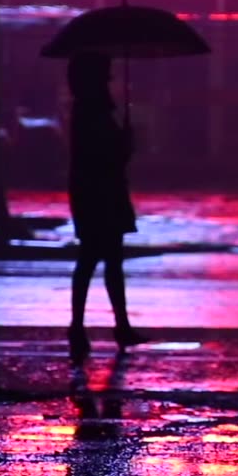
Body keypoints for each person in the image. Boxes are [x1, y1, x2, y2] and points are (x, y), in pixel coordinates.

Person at [65, 52, 147, 361]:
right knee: (97, 259)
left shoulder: (88, 110)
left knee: (103, 259)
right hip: (100, 192)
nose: (110, 82)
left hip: (95, 192)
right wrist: (125, 144)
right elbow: (106, 156)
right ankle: (91, 327)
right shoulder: (92, 111)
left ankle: (104, 326)